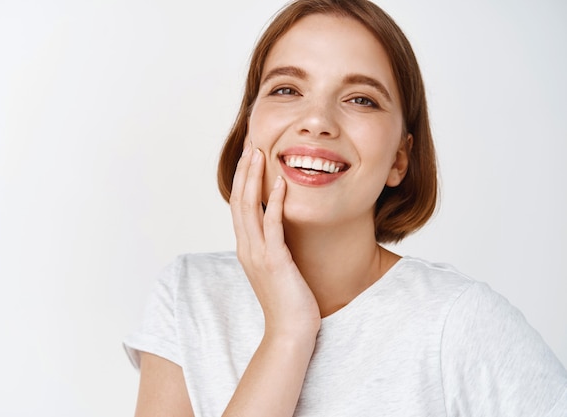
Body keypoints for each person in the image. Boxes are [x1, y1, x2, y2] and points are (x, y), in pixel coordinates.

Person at [124, 0, 567, 415]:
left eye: (361, 99)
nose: (317, 120)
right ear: (248, 127)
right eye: (286, 89)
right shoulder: (189, 295)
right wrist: (287, 332)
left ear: (399, 158)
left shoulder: (462, 322)